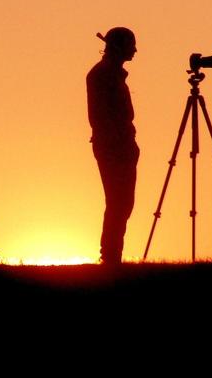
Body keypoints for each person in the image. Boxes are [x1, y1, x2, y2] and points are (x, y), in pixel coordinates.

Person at [86, 27, 140, 265]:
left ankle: (111, 254)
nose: (135, 50)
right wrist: (119, 142)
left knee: (123, 202)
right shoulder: (101, 75)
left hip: (122, 145)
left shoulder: (112, 74)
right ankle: (110, 255)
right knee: (118, 201)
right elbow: (100, 116)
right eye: (131, 45)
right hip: (113, 147)